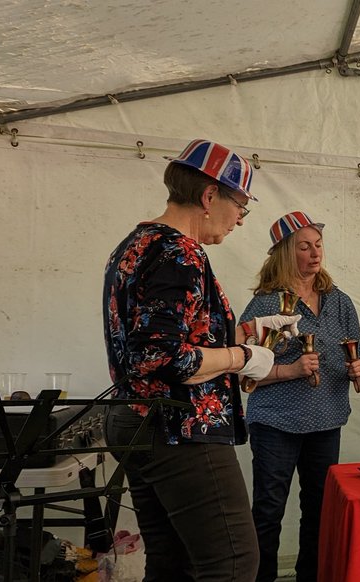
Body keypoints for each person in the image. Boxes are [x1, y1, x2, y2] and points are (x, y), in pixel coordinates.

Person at [102, 139, 296, 581]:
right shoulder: (181, 253)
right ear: (210, 196)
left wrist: (247, 331)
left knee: (173, 562)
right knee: (233, 562)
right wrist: (242, 357)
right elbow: (163, 357)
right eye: (241, 207)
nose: (240, 220)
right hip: (177, 426)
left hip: (136, 419)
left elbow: (161, 336)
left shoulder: (136, 244)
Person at [239, 211, 360, 582]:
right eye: (304, 247)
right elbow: (244, 374)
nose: (315, 254)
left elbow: (359, 353)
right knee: (268, 511)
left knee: (319, 510)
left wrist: (358, 367)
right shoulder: (266, 305)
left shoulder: (338, 301)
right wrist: (292, 370)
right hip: (276, 422)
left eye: (318, 245)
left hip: (326, 420)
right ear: (285, 253)